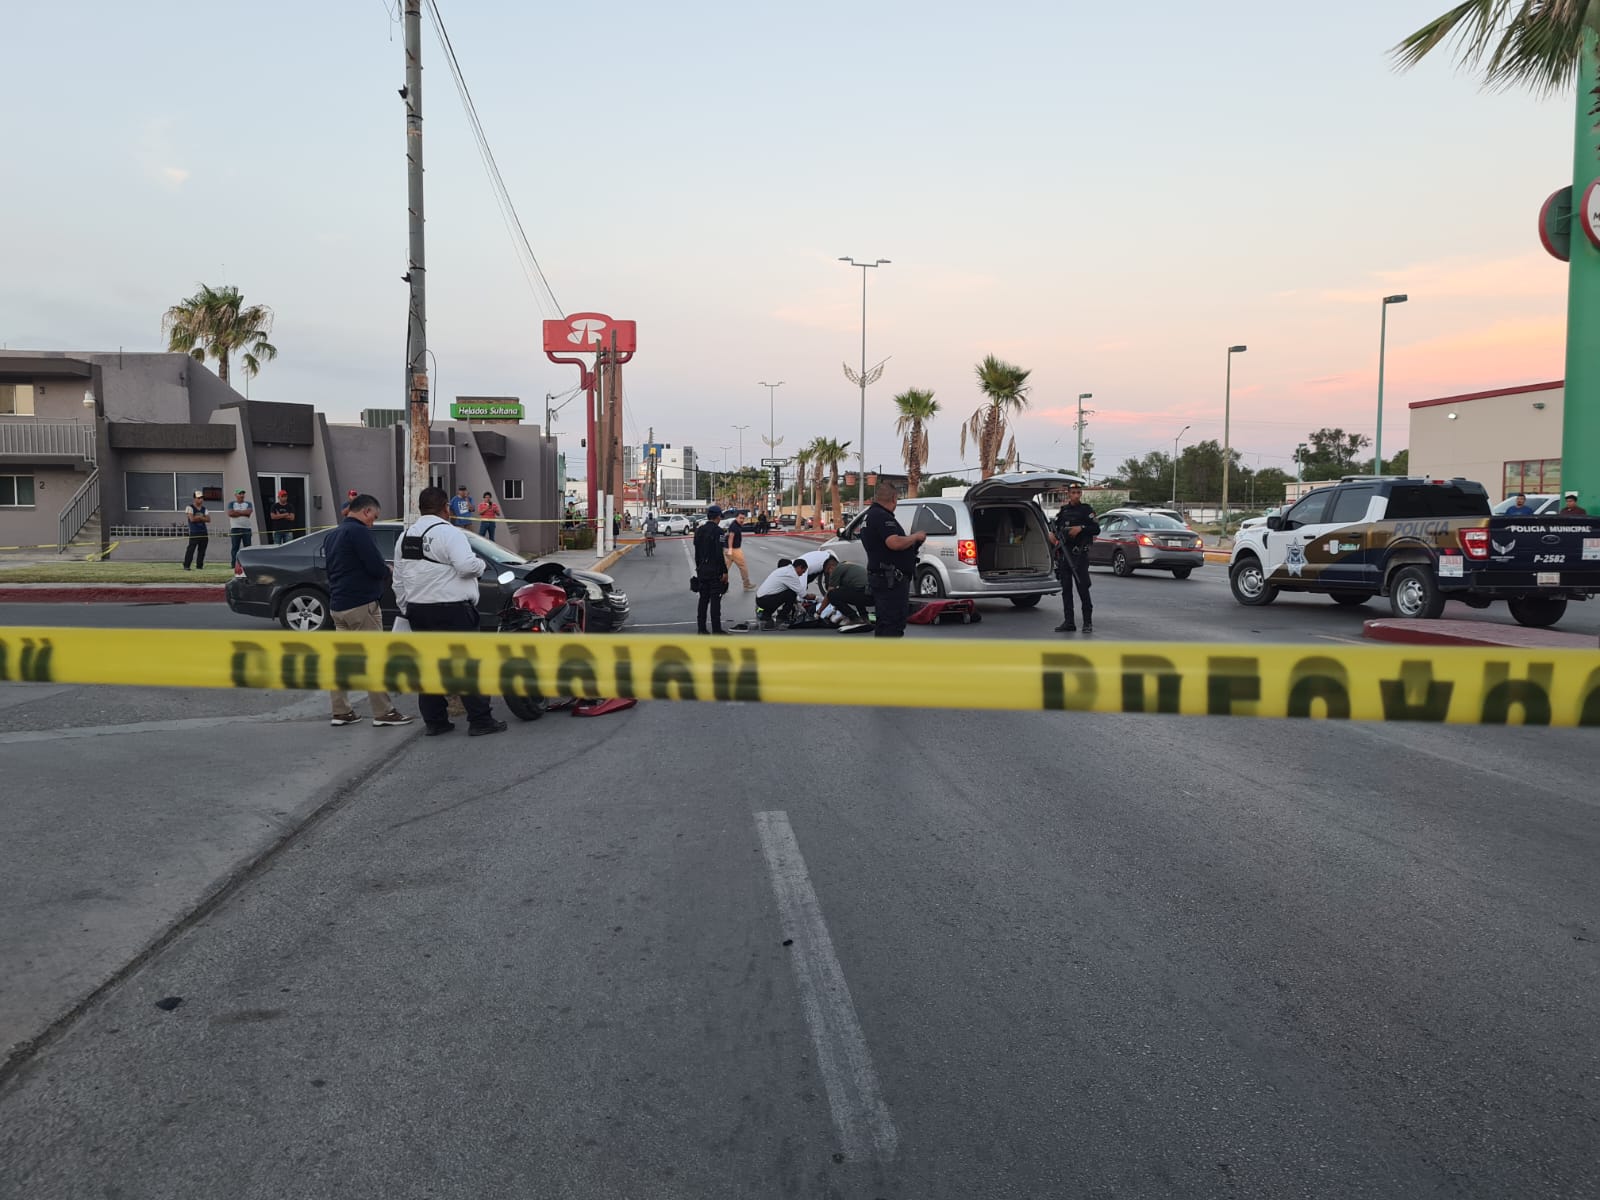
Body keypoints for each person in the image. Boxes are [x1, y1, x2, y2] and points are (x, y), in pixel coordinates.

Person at [391, 486, 506, 737]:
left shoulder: (405, 537)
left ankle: (436, 722)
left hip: (418, 610)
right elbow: (466, 566)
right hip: (453, 611)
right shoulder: (449, 533)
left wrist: (406, 607)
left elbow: (398, 579)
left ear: (420, 508)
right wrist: (480, 565)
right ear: (446, 508)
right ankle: (480, 721)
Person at [324, 493, 413, 729]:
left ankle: (341, 711)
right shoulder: (360, 532)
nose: (373, 522)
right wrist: (387, 570)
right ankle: (384, 712)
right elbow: (374, 566)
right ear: (366, 511)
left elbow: (330, 569)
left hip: (338, 605)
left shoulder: (333, 535)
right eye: (374, 516)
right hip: (362, 604)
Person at [860, 481, 924, 638]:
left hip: (883, 578)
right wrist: (915, 537)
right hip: (891, 582)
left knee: (884, 622)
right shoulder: (882, 516)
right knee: (893, 624)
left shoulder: (870, 515)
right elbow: (894, 543)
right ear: (894, 498)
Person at [1049, 482, 1100, 634]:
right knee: (1066, 590)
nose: (1076, 495)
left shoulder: (1086, 510)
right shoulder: (1064, 511)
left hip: (1079, 555)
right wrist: (1051, 534)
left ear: (1081, 494)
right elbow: (1055, 529)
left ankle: (1087, 622)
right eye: (1073, 493)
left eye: (1078, 492)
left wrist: (1081, 528)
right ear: (1068, 494)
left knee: (1083, 588)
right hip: (1065, 554)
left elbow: (1096, 528)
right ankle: (1069, 622)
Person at [693, 503, 729, 634]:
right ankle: (716, 629)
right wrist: (724, 571)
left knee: (703, 599)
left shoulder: (699, 530)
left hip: (702, 569)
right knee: (715, 600)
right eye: (720, 517)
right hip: (714, 570)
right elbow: (719, 553)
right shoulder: (719, 532)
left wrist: (698, 567)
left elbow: (697, 552)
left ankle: (701, 628)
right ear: (717, 517)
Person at [822, 557, 873, 631]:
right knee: (854, 591)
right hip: (872, 596)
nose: (829, 575)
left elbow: (829, 594)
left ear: (831, 567)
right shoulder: (848, 566)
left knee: (831, 595)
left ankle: (854, 618)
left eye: (828, 572)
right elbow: (852, 593)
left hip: (865, 593)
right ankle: (864, 618)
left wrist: (819, 612)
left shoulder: (837, 569)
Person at [754, 558, 808, 628]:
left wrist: (796, 602)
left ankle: (765, 615)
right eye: (802, 572)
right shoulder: (791, 574)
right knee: (792, 593)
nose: (801, 575)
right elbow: (804, 595)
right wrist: (817, 598)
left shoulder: (782, 570)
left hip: (760, 599)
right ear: (799, 567)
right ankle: (781, 618)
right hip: (765, 600)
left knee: (769, 623)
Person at [182, 490, 211, 569]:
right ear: (194, 499)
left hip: (204, 532)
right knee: (191, 549)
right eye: (198, 498)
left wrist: (198, 517)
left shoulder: (204, 509)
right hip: (194, 532)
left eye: (201, 498)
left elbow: (208, 519)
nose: (200, 500)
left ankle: (199, 566)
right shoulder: (189, 507)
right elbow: (192, 519)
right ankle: (186, 565)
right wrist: (202, 518)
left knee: (202, 550)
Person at [725, 511, 754, 590]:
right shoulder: (734, 526)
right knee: (743, 567)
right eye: (740, 518)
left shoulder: (736, 525)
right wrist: (730, 549)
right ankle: (746, 584)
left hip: (729, 549)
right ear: (736, 518)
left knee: (725, 568)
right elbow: (731, 537)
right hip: (734, 550)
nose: (742, 520)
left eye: (743, 518)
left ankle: (721, 586)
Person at [227, 488, 254, 567]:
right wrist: (243, 513)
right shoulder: (231, 503)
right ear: (236, 495)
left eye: (243, 494)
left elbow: (249, 512)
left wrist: (237, 511)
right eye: (240, 494)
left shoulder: (248, 503)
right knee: (235, 547)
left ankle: (247, 564)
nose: (242, 495)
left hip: (246, 528)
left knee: (247, 547)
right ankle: (234, 564)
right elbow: (230, 513)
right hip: (235, 528)